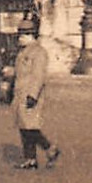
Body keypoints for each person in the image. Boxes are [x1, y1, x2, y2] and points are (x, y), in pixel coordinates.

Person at [12, 20, 60, 169]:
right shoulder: (24, 52)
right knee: (23, 126)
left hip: (30, 95)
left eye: (22, 35)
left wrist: (33, 95)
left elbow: (38, 76)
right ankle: (30, 159)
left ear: (30, 35)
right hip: (21, 94)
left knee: (30, 127)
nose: (19, 39)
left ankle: (50, 148)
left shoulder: (38, 52)